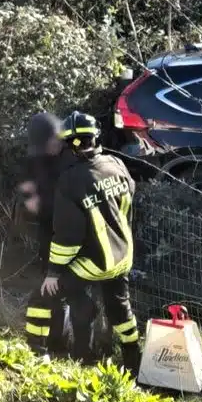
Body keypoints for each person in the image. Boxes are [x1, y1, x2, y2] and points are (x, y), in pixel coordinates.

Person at [41, 111, 142, 374]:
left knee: (64, 292)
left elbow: (67, 237)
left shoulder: (71, 181)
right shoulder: (116, 164)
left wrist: (53, 273)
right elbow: (128, 202)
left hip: (96, 262)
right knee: (120, 306)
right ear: (96, 139)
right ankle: (134, 360)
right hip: (124, 255)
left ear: (72, 145)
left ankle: (81, 355)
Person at [19, 111, 80, 356]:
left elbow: (67, 205)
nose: (51, 148)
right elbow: (26, 178)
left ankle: (58, 344)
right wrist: (27, 195)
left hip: (69, 235)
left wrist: (41, 205)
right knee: (50, 290)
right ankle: (47, 344)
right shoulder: (38, 155)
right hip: (47, 233)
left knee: (60, 292)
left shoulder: (71, 159)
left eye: (53, 143)